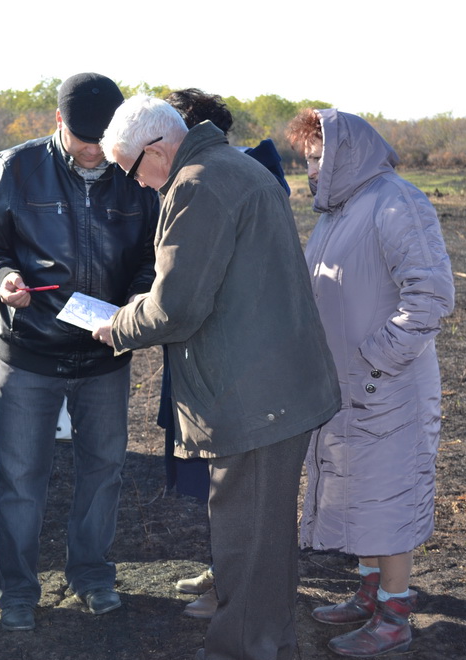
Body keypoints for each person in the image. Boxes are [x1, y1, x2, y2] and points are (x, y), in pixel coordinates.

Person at [94, 95, 340, 660]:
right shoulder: (237, 167)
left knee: (245, 548)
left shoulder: (197, 184)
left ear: (156, 149)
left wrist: (118, 325)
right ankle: (270, 653)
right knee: (267, 543)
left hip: (253, 398)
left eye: (132, 170)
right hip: (277, 389)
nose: (138, 185)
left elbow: (177, 307)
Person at [0, 73, 158, 632]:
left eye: (106, 137)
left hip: (106, 355)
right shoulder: (16, 167)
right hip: (28, 352)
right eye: (83, 136)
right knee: (21, 479)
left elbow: (151, 254)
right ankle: (17, 590)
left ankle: (92, 575)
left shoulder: (134, 176)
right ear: (57, 122)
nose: (96, 149)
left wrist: (135, 304)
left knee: (104, 471)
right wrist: (3, 277)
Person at [285, 108, 455, 657]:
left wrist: (377, 361)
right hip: (346, 388)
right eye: (306, 160)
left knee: (389, 498)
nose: (309, 170)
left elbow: (429, 296)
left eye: (316, 158)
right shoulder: (340, 212)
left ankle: (395, 614)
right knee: (359, 493)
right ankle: (368, 592)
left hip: (388, 388)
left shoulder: (397, 202)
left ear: (345, 155)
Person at [161, 88, 295, 620]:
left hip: (235, 363)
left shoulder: (220, 182)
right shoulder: (213, 177)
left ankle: (235, 595)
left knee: (238, 488)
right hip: (198, 356)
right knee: (214, 484)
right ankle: (224, 572)